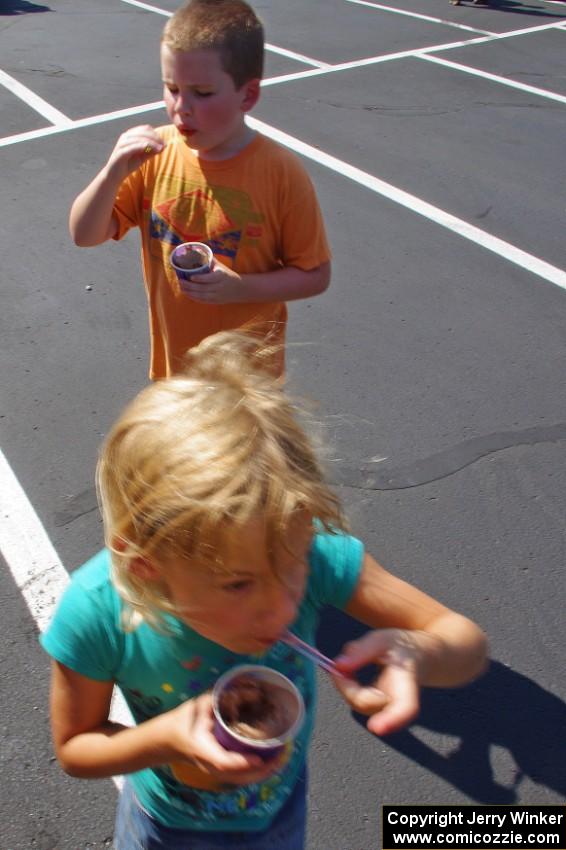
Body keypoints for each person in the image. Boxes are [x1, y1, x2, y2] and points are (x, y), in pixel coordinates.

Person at [41, 331, 488, 850]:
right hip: (165, 828)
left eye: (294, 567)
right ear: (145, 569)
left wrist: (419, 652)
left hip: (279, 813)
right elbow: (75, 746)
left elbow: (467, 643)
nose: (282, 607)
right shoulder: (95, 613)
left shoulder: (315, 553)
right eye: (237, 584)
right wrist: (164, 742)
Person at [69, 0, 331, 379]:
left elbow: (315, 275)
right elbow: (84, 234)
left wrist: (238, 288)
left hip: (248, 383)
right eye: (171, 88)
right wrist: (111, 173)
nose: (181, 108)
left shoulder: (280, 172)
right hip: (175, 373)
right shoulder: (154, 154)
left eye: (202, 93)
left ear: (248, 96)